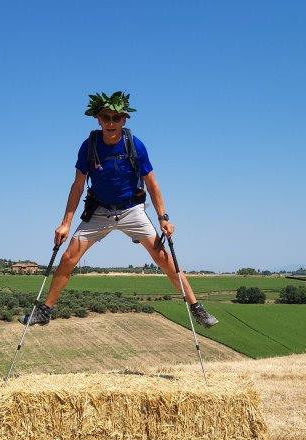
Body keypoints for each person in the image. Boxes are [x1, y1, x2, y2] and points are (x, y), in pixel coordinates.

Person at [22, 91, 218, 329]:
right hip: (99, 211)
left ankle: (196, 307)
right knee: (68, 258)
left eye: (116, 118)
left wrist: (163, 218)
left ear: (124, 119)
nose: (111, 123)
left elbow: (152, 184)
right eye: (106, 117)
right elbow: (78, 185)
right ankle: (45, 311)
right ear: (98, 120)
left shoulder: (135, 145)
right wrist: (65, 223)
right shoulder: (89, 146)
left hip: (131, 210)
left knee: (162, 258)